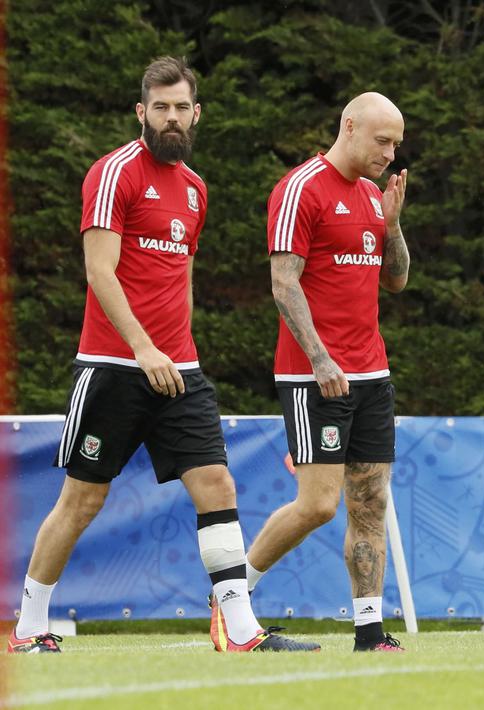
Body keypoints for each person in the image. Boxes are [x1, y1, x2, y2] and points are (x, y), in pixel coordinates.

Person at [8, 57, 318, 654]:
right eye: (160, 107)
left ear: (196, 114)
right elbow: (100, 273)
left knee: (217, 484)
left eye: (181, 108)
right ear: (141, 112)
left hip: (179, 370)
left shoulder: (197, 189)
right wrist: (144, 347)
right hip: (113, 367)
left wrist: (179, 350)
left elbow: (183, 279)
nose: (170, 118)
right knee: (82, 499)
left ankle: (239, 630)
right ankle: (27, 627)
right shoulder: (113, 173)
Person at [242, 92, 410, 653]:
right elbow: (283, 283)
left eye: (395, 144)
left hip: (371, 373)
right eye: (381, 140)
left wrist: (391, 226)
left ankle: (369, 631)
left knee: (371, 503)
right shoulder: (300, 188)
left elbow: (397, 281)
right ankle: (233, 599)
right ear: (349, 126)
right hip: (315, 375)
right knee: (319, 504)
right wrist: (320, 358)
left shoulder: (370, 194)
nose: (389, 153)